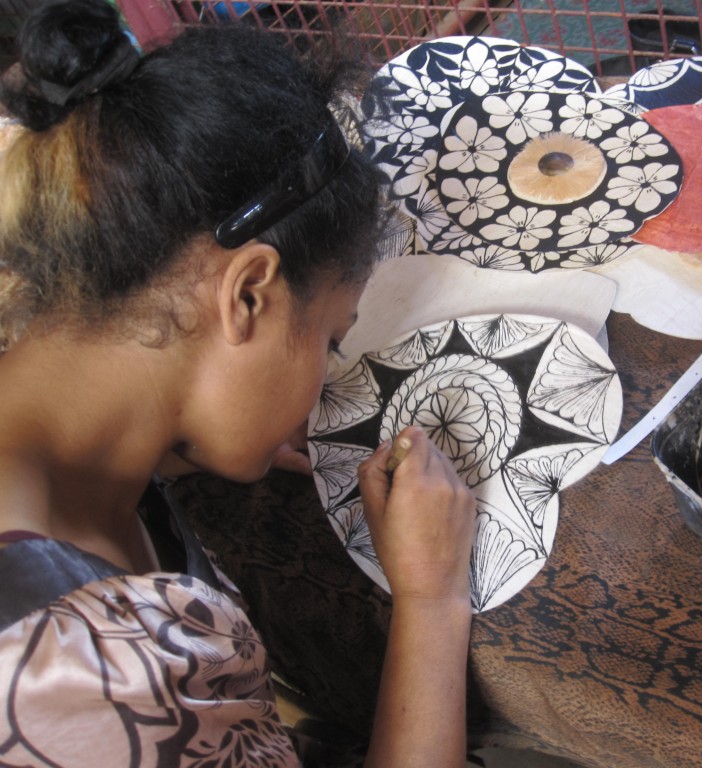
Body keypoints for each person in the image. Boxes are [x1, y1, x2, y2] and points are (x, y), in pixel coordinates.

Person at [0, 0, 477, 765]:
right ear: (248, 293)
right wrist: (432, 600)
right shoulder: (83, 679)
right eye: (330, 338)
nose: (324, 385)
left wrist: (188, 435)